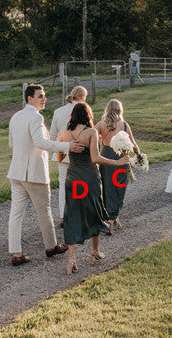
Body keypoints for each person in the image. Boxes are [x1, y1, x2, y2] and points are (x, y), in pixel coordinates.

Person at [6, 84, 83, 266]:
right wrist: (67, 147)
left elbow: (12, 144)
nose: (44, 99)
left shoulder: (16, 116)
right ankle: (51, 246)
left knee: (16, 214)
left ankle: (16, 253)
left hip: (16, 172)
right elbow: (41, 142)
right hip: (33, 173)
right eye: (40, 96)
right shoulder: (35, 117)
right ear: (30, 98)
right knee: (44, 210)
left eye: (44, 96)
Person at [59, 102, 129, 274]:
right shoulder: (90, 132)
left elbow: (60, 158)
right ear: (88, 115)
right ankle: (95, 251)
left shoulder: (64, 134)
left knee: (72, 214)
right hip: (89, 178)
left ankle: (71, 260)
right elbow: (96, 158)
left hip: (73, 178)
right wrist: (117, 162)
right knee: (95, 212)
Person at [93, 99, 141, 232]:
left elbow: (91, 137)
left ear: (107, 109)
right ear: (120, 110)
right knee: (119, 190)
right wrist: (139, 154)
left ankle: (113, 217)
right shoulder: (124, 125)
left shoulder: (101, 125)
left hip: (105, 158)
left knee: (107, 189)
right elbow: (133, 144)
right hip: (120, 159)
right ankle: (111, 219)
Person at [49, 86, 87, 228]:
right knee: (80, 184)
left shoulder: (58, 111)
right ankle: (79, 215)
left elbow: (52, 136)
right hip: (78, 151)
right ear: (83, 97)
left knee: (63, 185)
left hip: (61, 152)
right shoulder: (84, 109)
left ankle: (63, 217)